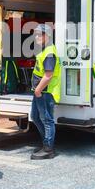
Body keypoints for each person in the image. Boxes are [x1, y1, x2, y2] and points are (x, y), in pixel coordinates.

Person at [30, 24, 61, 160]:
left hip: (46, 92)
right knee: (35, 117)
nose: (36, 36)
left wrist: (38, 90)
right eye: (35, 34)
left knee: (47, 120)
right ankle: (46, 143)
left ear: (47, 36)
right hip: (40, 91)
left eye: (39, 34)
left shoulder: (49, 53)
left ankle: (48, 148)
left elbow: (48, 75)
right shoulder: (44, 50)